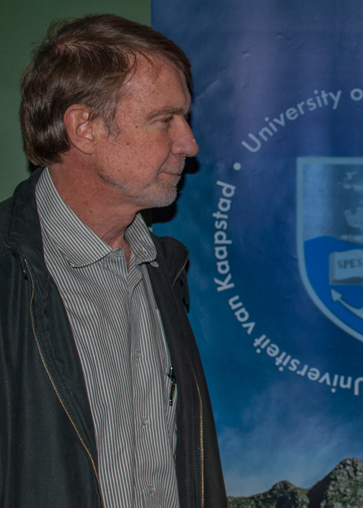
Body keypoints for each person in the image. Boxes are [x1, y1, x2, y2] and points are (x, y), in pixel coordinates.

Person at [0, 14, 226, 507]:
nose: (189, 145)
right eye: (165, 119)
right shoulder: (9, 275)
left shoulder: (163, 271)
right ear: (85, 127)